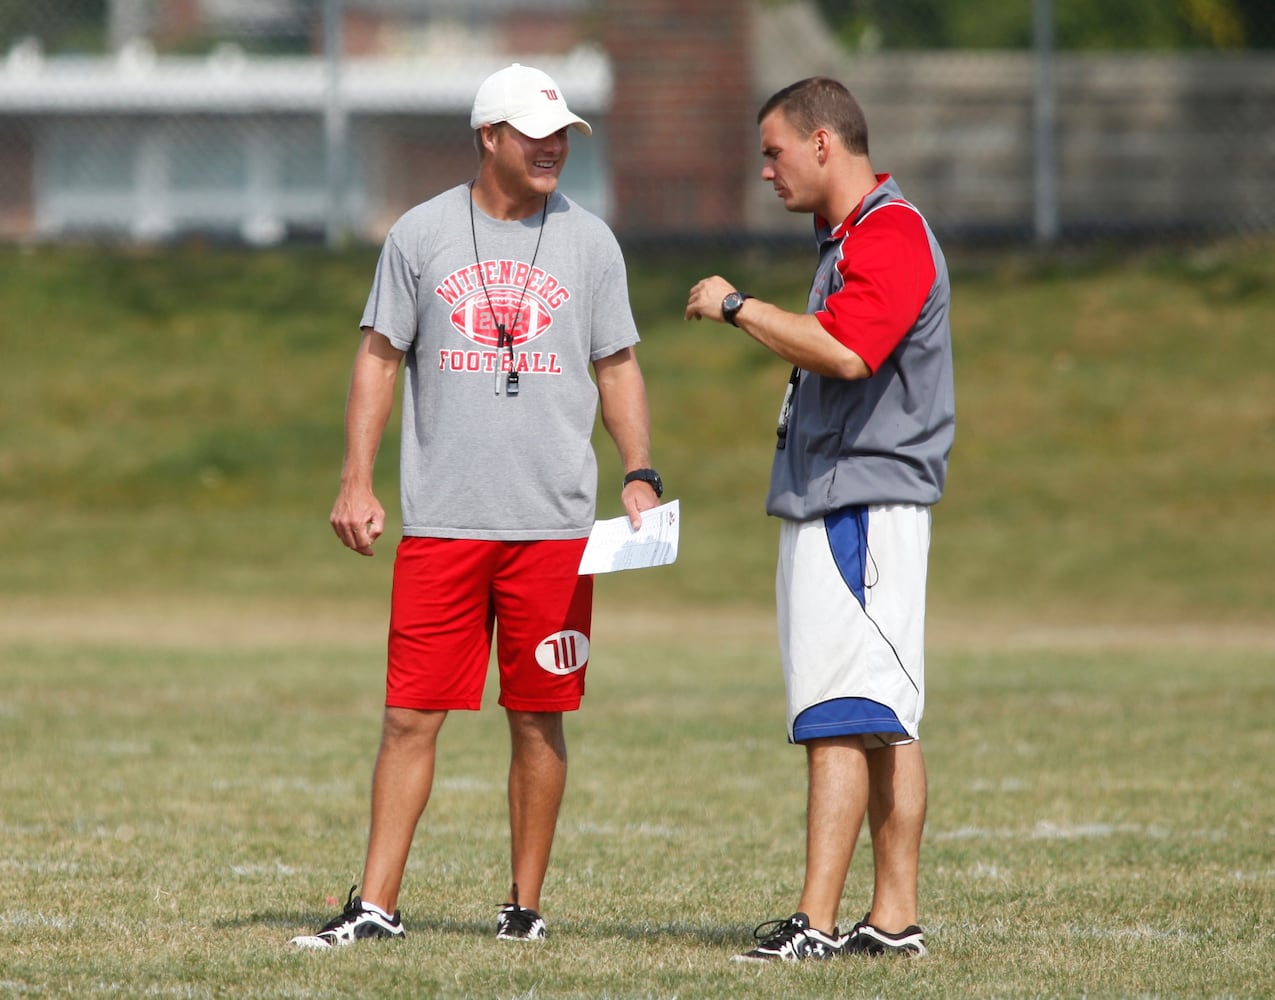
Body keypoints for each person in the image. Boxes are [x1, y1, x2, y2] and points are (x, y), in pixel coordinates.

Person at [292, 63, 662, 949]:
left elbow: (616, 364)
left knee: (540, 714)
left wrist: (640, 469)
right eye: (534, 133)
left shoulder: (590, 243)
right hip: (445, 524)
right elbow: (379, 357)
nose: (553, 147)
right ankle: (375, 906)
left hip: (553, 528)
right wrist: (355, 476)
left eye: (562, 134)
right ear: (487, 137)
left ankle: (522, 910)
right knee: (409, 715)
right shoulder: (420, 235)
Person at [685, 76, 954, 962]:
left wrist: (738, 306)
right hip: (842, 500)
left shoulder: (891, 231)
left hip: (859, 506)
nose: (766, 169)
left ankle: (817, 922)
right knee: (879, 715)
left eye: (773, 151)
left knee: (842, 713)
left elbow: (846, 349)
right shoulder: (851, 236)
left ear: (823, 144)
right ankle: (890, 921)